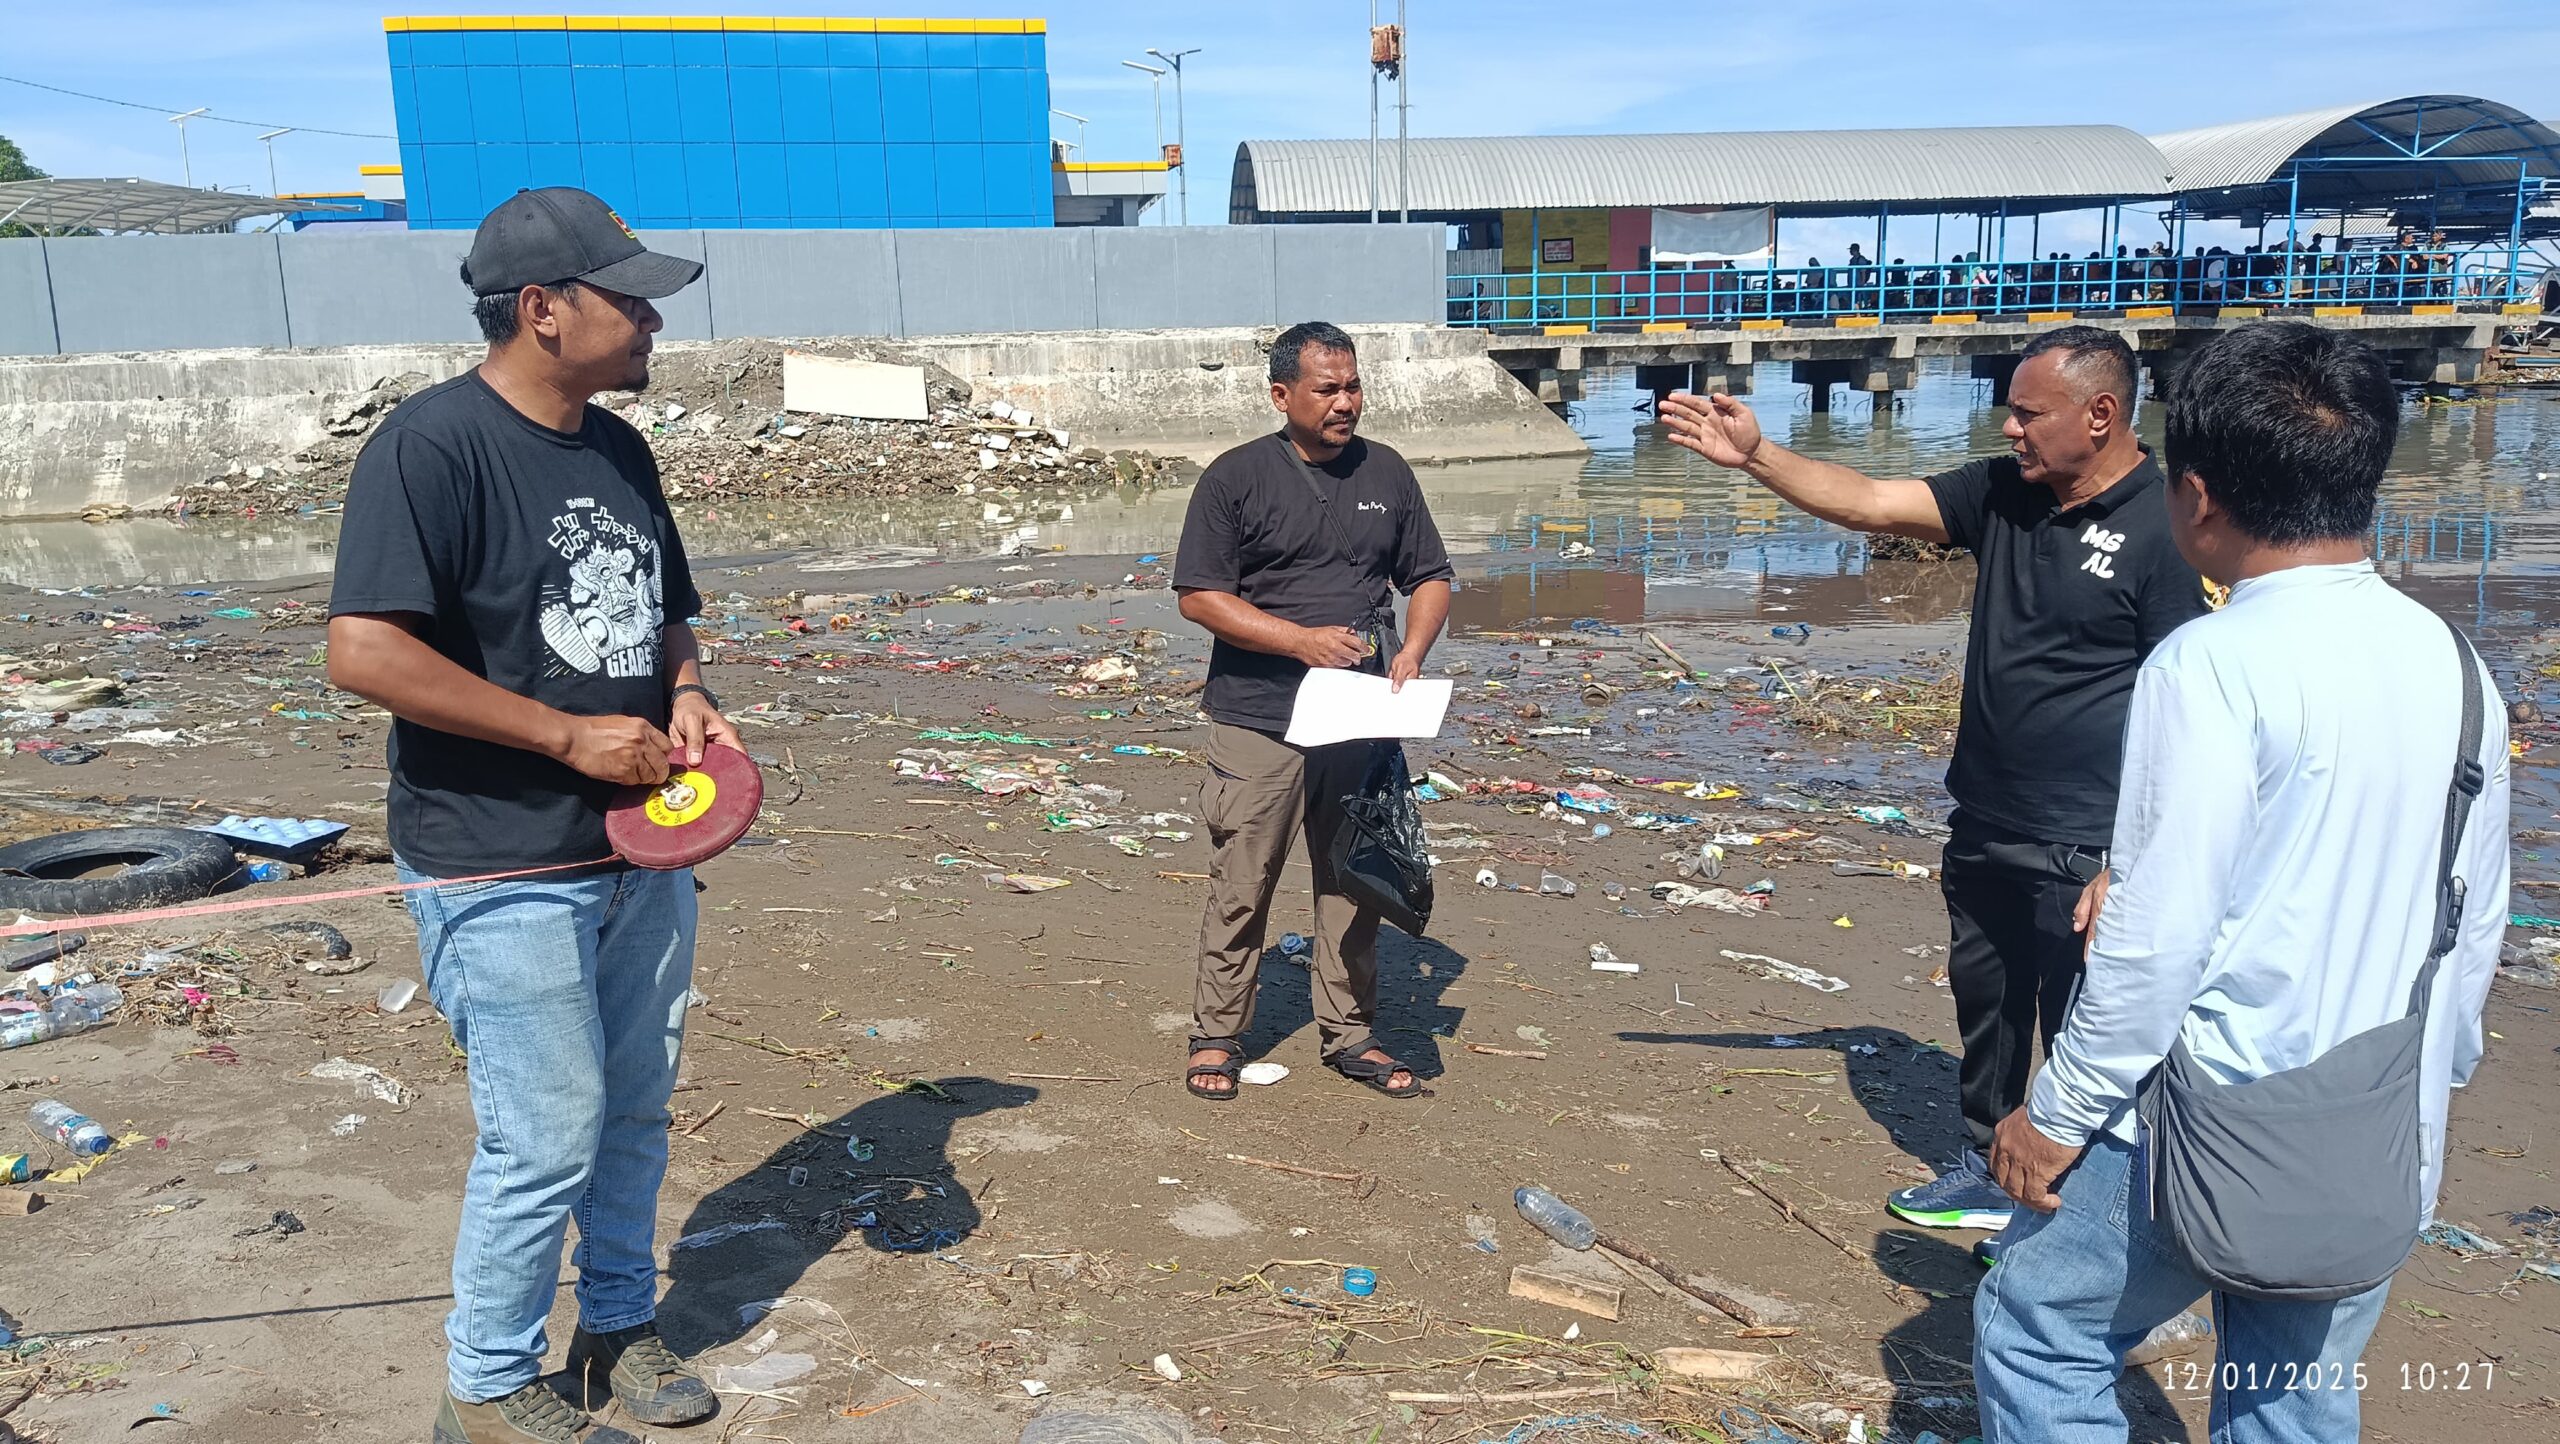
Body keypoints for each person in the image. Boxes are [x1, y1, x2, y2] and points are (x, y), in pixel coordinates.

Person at [1975, 320, 2509, 1444]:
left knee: (2038, 1329)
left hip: (2207, 1105)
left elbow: (2156, 937)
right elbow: (2474, 915)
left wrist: (2056, 1114)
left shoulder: (2211, 661)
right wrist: (2432, 1085)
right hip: (2378, 1113)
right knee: (2290, 1388)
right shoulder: (2453, 659)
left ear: (2197, 496)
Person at [328, 186, 735, 1444]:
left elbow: (665, 612)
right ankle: (489, 1388)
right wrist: (563, 736)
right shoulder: (430, 447)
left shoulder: (619, 449)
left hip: (639, 850)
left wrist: (688, 693)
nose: (654, 319)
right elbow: (362, 651)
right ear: (544, 310)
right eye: (631, 299)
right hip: (496, 861)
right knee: (543, 1133)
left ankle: (615, 1324)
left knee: (634, 1107)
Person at [1659, 327, 2209, 1235]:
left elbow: (2192, 707)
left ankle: (2081, 1215)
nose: (2010, 428)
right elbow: (1872, 502)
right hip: (1987, 815)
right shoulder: (2004, 492)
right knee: (1988, 1006)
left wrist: (2135, 856)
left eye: (2029, 414)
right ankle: (1990, 1169)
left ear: (2101, 414)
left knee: (2088, 1027)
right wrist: (1757, 456)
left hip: (2089, 837)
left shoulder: (2167, 529)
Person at [1171, 321, 1454, 1102]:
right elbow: (1199, 596)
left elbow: (1429, 576)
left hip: (1360, 719)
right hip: (1259, 719)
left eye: (1353, 386)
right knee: (1242, 884)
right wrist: (1298, 641)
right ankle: (1217, 1034)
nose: (1345, 402)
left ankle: (1351, 1034)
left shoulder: (1387, 471)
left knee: (1356, 882)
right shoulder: (1235, 478)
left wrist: (1413, 650)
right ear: (1281, 394)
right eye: (1327, 389)